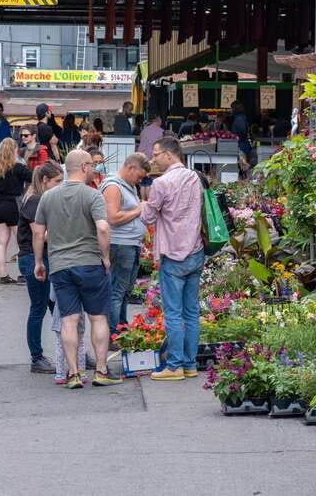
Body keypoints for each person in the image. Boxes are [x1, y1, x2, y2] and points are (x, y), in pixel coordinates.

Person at [32, 149, 122, 389]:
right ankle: (101, 371)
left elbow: (38, 232)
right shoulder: (92, 196)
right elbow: (103, 228)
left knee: (68, 321)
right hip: (91, 264)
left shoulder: (48, 197)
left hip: (61, 266)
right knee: (98, 317)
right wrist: (105, 257)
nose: (94, 168)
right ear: (83, 167)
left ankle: (73, 374)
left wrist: (39, 262)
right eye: (92, 164)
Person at [141, 137, 204, 381]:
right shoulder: (195, 178)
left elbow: (148, 217)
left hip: (173, 253)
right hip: (196, 250)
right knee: (191, 312)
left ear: (169, 154)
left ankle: (175, 365)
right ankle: (190, 364)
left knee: (174, 313)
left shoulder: (162, 183)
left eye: (156, 154)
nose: (152, 158)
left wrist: (144, 204)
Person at [17, 161, 63, 374]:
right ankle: (37, 358)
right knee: (40, 308)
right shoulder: (35, 200)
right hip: (33, 258)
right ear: (45, 180)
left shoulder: (38, 197)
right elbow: (39, 234)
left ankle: (72, 350)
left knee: (58, 308)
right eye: (57, 181)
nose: (60, 185)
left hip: (42, 257)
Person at [100, 153, 150, 342]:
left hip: (130, 244)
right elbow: (112, 217)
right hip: (120, 244)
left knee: (125, 290)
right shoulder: (113, 187)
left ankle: (121, 328)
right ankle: (114, 334)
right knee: (117, 291)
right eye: (139, 176)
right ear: (131, 168)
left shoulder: (128, 185)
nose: (140, 179)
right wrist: (140, 208)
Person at [0, 138, 32, 285]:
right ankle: (23, 274)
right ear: (14, 151)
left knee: (2, 242)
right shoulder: (18, 168)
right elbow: (34, 177)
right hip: (13, 205)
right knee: (22, 242)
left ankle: (3, 275)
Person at [137, 114, 164, 200]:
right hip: (152, 157)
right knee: (149, 181)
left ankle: (142, 201)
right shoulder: (161, 132)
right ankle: (149, 202)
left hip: (141, 156)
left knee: (143, 182)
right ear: (158, 120)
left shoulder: (144, 130)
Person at [231, 100, 254, 175]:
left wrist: (236, 136)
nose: (231, 110)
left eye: (232, 108)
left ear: (235, 109)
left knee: (243, 166)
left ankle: (245, 180)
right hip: (244, 144)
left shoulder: (239, 119)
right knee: (243, 165)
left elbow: (243, 131)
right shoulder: (242, 117)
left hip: (241, 145)